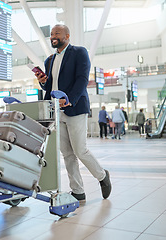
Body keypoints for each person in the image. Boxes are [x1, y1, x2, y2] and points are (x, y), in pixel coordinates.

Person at [34, 24, 111, 201]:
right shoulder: (49, 60)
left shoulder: (79, 52)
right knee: (67, 154)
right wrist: (42, 81)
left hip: (75, 108)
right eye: (52, 34)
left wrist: (70, 99)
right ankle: (77, 190)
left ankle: (102, 176)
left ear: (67, 36)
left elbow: (82, 79)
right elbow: (50, 85)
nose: (53, 36)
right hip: (56, 110)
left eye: (57, 33)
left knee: (80, 150)